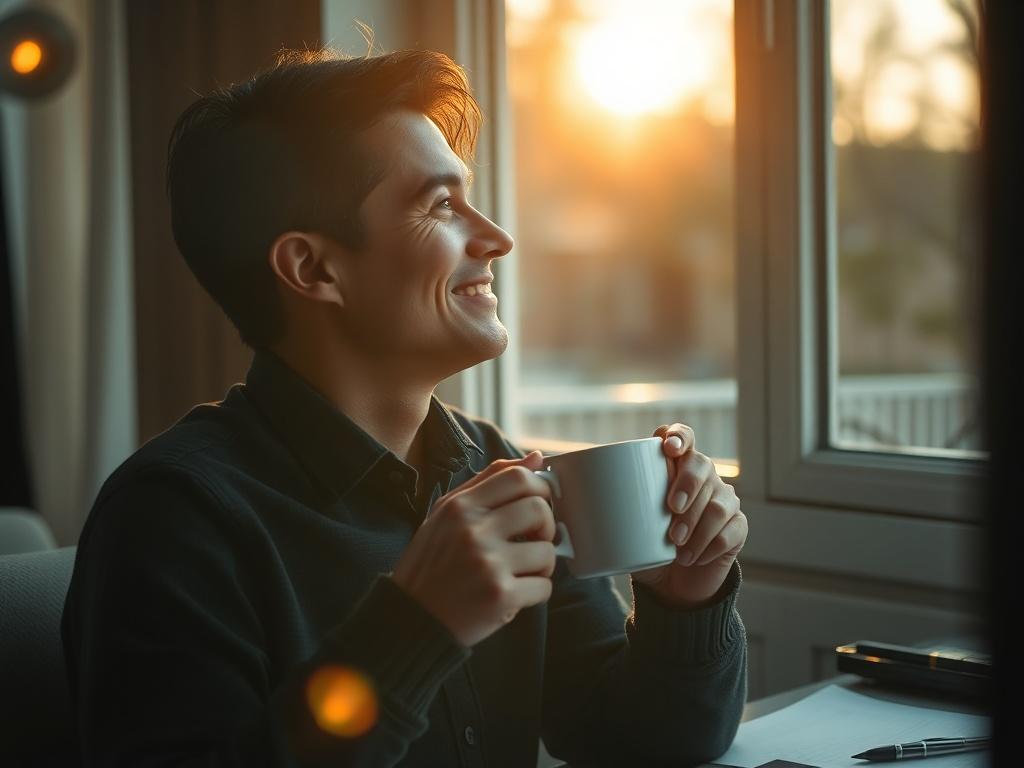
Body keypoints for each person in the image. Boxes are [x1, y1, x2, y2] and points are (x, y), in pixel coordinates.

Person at [61, 47, 749, 767]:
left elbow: (646, 742)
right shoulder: (172, 520)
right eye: (441, 205)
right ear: (314, 269)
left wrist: (685, 600)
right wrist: (417, 628)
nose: (497, 238)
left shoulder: (502, 469)